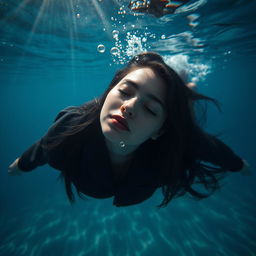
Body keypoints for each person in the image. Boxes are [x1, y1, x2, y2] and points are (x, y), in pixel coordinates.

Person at [8, 52, 251, 208]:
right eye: (125, 91)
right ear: (109, 92)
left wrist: (238, 164)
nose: (129, 107)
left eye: (151, 109)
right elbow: (43, 147)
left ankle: (183, 93)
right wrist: (22, 163)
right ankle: (178, 91)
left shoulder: (172, 146)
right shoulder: (70, 128)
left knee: (183, 119)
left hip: (173, 128)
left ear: (159, 131)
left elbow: (208, 147)